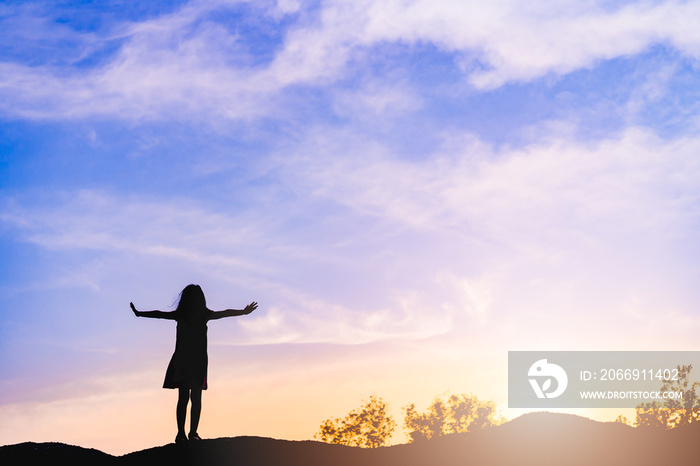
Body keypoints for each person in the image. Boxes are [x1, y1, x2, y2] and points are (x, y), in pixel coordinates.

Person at [130, 284, 257, 443]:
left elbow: (159, 314)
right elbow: (224, 313)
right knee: (194, 397)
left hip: (187, 359)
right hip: (193, 360)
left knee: (185, 397)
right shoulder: (200, 314)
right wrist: (243, 312)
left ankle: (184, 434)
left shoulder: (188, 314)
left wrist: (139, 314)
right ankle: (189, 433)